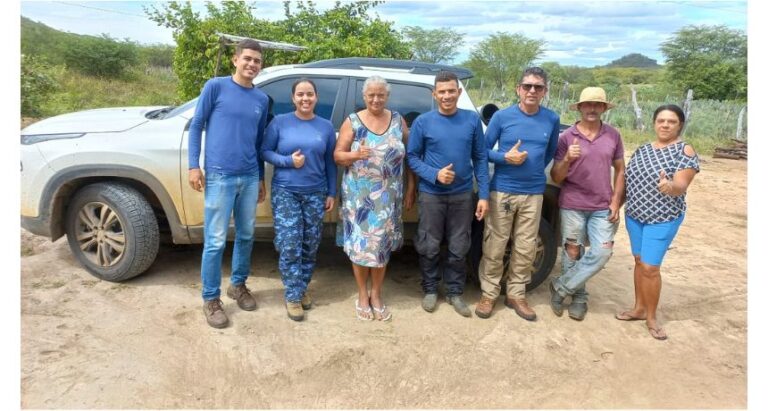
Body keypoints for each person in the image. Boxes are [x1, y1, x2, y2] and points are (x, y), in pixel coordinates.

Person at [188, 39, 269, 328]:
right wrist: (193, 166)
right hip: (220, 175)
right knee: (215, 241)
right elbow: (197, 125)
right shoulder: (216, 87)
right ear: (235, 60)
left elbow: (258, 143)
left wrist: (260, 177)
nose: (251, 64)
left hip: (248, 176)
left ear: (261, 66)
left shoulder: (261, 99)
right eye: (247, 58)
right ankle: (211, 299)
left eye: (257, 61)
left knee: (246, 235)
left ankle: (238, 285)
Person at [475, 67, 559, 321]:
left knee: (525, 247)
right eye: (527, 86)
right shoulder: (502, 117)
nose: (532, 91)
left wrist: (531, 170)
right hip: (502, 191)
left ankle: (516, 294)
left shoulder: (551, 119)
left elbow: (549, 153)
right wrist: (505, 158)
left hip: (534, 192)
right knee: (495, 245)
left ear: (545, 91)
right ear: (518, 89)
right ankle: (489, 294)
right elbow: (482, 151)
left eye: (538, 87)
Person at [407, 70, 490, 318]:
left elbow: (481, 157)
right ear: (434, 94)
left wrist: (483, 194)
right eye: (442, 91)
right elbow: (411, 157)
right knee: (428, 244)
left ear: (459, 92)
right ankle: (430, 289)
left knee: (459, 244)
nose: (446, 96)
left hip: (462, 194)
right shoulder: (423, 122)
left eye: (451, 91)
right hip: (431, 193)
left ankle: (455, 292)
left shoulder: (472, 120)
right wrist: (434, 174)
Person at [334, 75, 416, 322]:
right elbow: (337, 155)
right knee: (361, 247)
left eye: (381, 95)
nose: (376, 99)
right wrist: (355, 155)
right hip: (359, 198)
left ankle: (377, 294)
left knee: (380, 247)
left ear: (387, 96)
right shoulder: (353, 121)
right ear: (364, 97)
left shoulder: (398, 120)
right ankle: (362, 294)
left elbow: (409, 156)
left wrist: (411, 186)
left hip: (388, 197)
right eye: (371, 95)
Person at [615, 104, 699, 341]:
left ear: (680, 125)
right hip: (635, 215)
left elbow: (681, 184)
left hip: (663, 218)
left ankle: (651, 316)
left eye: (671, 121)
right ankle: (639, 308)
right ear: (654, 123)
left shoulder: (685, 151)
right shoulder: (643, 149)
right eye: (661, 120)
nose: (665, 125)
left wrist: (670, 186)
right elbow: (629, 182)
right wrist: (616, 205)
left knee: (651, 268)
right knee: (640, 261)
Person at [262, 79, 337, 322]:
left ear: (316, 97)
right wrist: (287, 161)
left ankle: (300, 287)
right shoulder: (280, 122)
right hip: (286, 192)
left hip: (315, 193)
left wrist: (332, 192)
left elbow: (329, 163)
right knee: (290, 243)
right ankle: (293, 296)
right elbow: (265, 151)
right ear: (293, 98)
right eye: (300, 94)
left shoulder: (325, 127)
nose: (305, 99)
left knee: (309, 244)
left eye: (310, 94)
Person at [548, 87, 625, 321]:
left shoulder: (613, 135)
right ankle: (579, 299)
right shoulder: (567, 137)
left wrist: (616, 201)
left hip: (603, 205)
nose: (592, 108)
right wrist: (567, 159)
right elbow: (556, 176)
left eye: (597, 105)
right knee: (573, 252)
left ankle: (561, 288)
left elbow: (620, 169)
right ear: (580, 107)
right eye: (588, 104)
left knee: (602, 252)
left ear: (604, 108)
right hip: (573, 203)